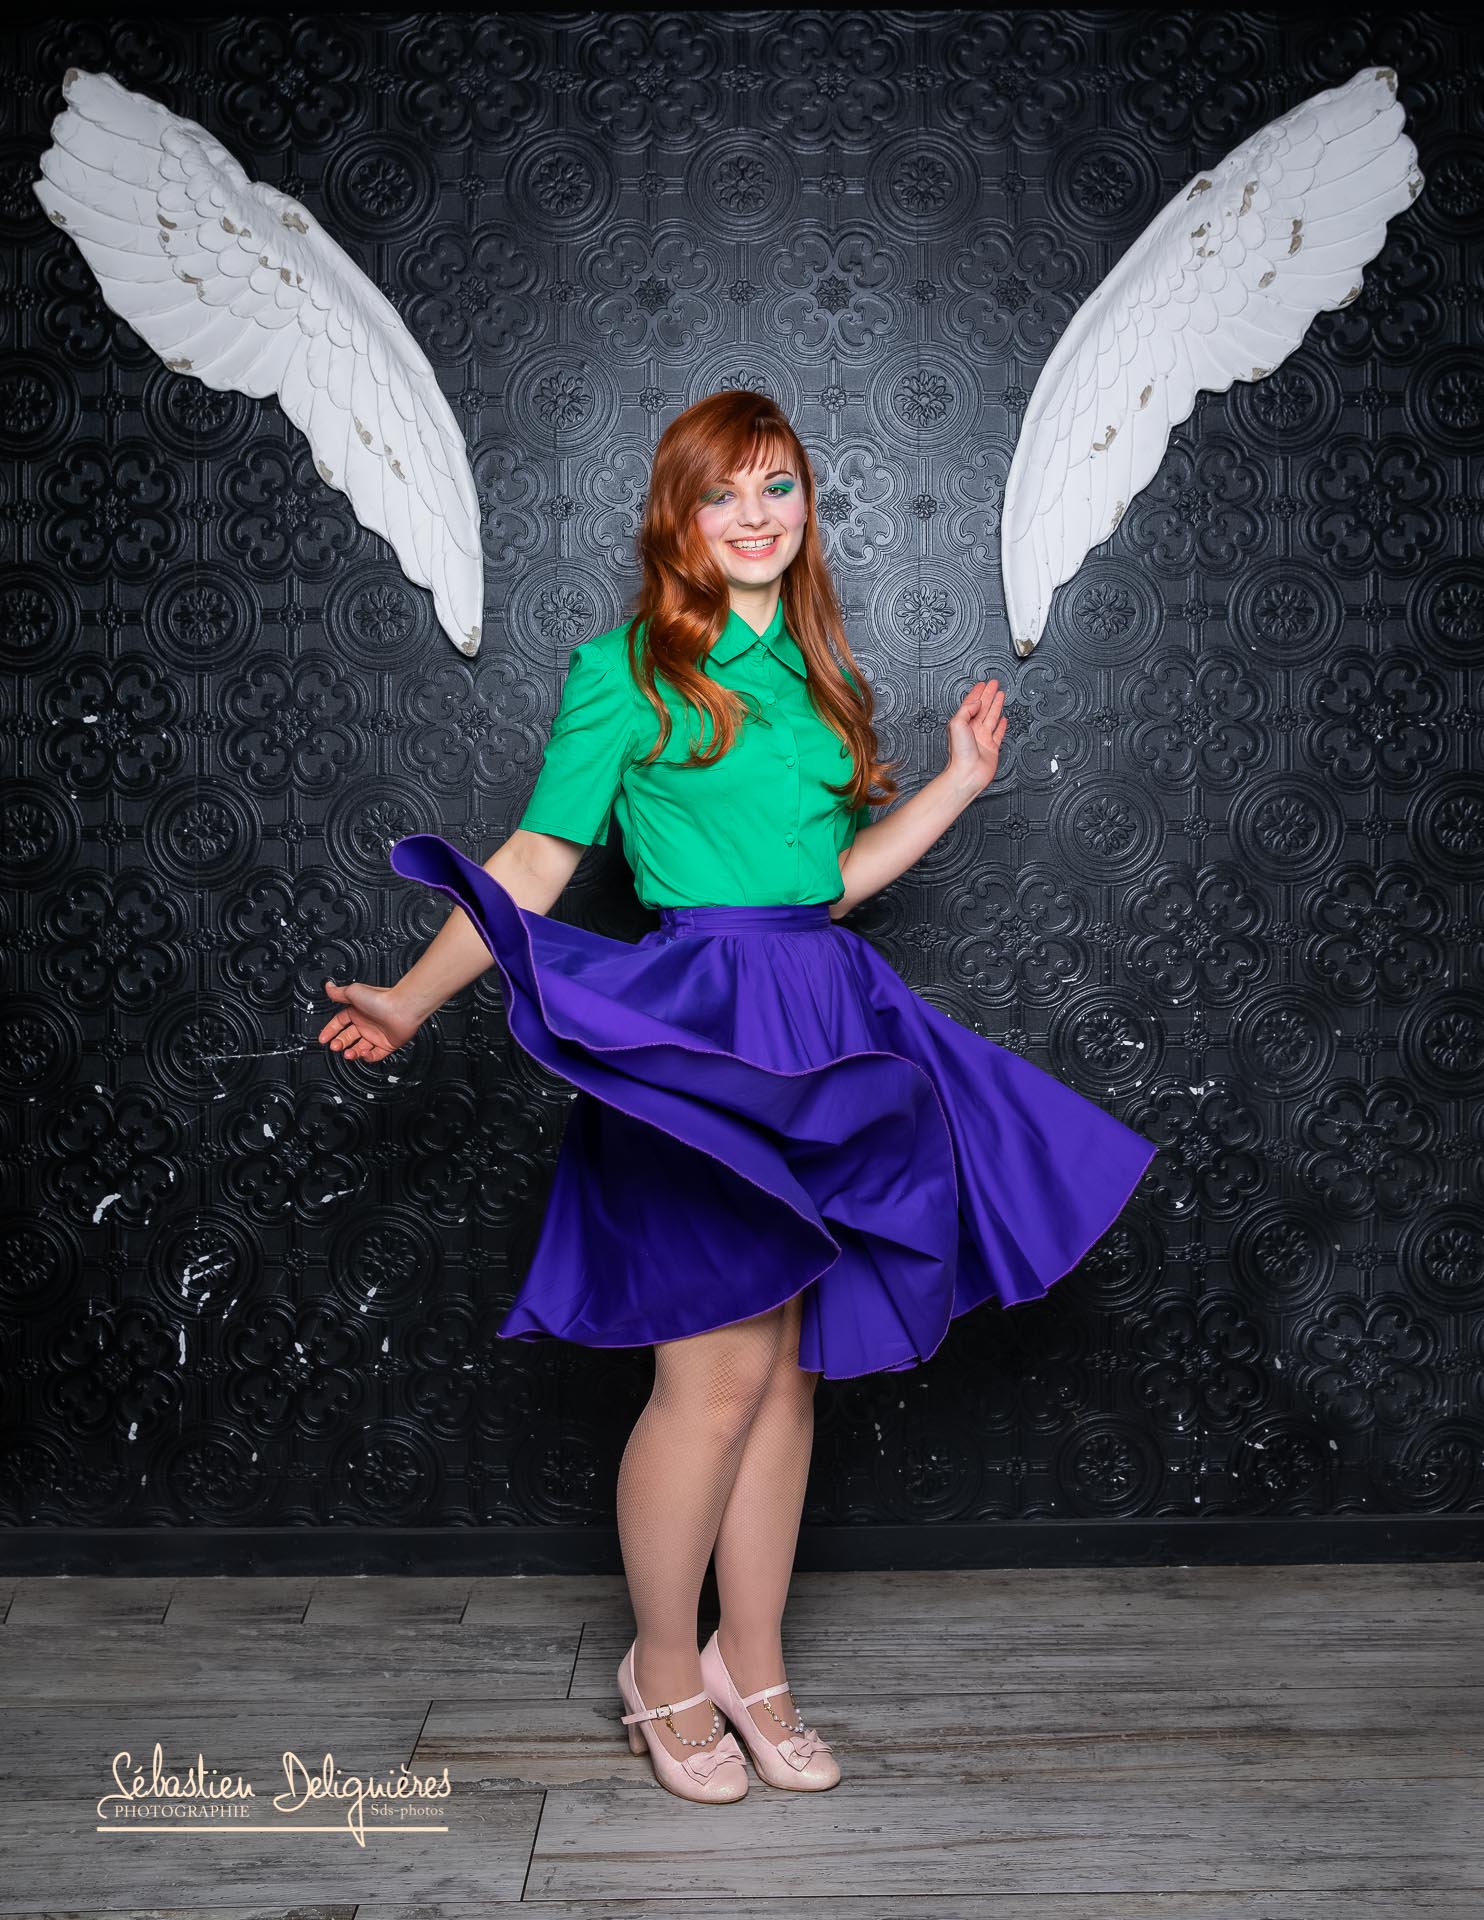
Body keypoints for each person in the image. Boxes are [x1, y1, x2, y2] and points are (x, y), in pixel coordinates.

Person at [316, 391, 1158, 1805]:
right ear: (680, 516)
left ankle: (748, 1665)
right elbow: (536, 861)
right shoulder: (626, 670)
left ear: (806, 506)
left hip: (825, 1022)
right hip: (701, 1036)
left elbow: (824, 885)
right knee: (709, 1379)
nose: (755, 515)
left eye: (778, 486)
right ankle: (659, 1667)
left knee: (786, 1377)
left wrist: (958, 785)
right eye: (724, 493)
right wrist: (409, 996)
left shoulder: (824, 673)